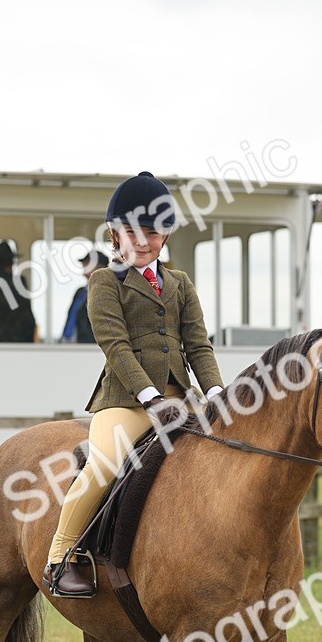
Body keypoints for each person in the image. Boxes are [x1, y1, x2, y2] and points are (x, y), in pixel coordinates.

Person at [43, 171, 224, 598]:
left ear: (165, 235)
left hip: (181, 399)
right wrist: (151, 397)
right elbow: (116, 347)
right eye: (132, 232)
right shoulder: (105, 282)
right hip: (126, 400)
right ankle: (61, 556)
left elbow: (198, 346)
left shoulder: (180, 284)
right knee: (104, 465)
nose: (143, 241)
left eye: (153, 232)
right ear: (114, 234)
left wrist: (217, 393)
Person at [0, 241, 37, 342]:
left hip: (0, 340)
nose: (11, 265)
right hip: (9, 340)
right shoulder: (13, 282)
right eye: (8, 262)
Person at [60, 250, 109, 343]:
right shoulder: (80, 292)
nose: (84, 265)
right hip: (71, 343)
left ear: (100, 267)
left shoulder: (107, 292)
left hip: (89, 347)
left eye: (89, 263)